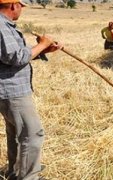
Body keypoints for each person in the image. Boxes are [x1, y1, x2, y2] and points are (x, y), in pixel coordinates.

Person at [0, 0, 62, 179]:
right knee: (32, 134)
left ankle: (16, 172)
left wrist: (44, 50)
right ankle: (28, 176)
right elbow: (15, 57)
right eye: (21, 6)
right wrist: (42, 44)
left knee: (16, 135)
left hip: (9, 90)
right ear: (13, 6)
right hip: (12, 91)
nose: (21, 10)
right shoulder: (2, 26)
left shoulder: (5, 25)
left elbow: (9, 57)